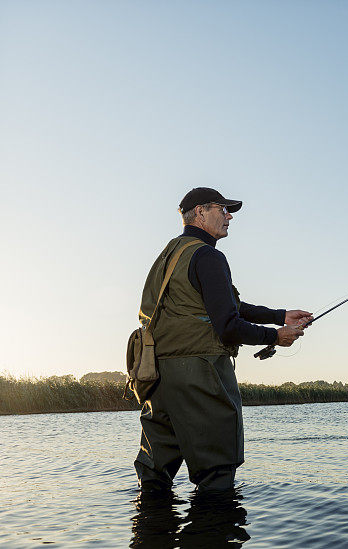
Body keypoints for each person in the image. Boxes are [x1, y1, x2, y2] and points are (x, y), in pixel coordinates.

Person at [134, 187, 312, 492]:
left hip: (157, 378)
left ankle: (151, 533)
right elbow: (228, 325)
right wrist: (276, 337)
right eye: (223, 209)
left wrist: (280, 315)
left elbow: (224, 305)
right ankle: (214, 534)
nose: (229, 217)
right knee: (216, 473)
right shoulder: (207, 256)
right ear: (201, 212)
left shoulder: (170, 254)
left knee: (154, 475)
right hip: (200, 375)